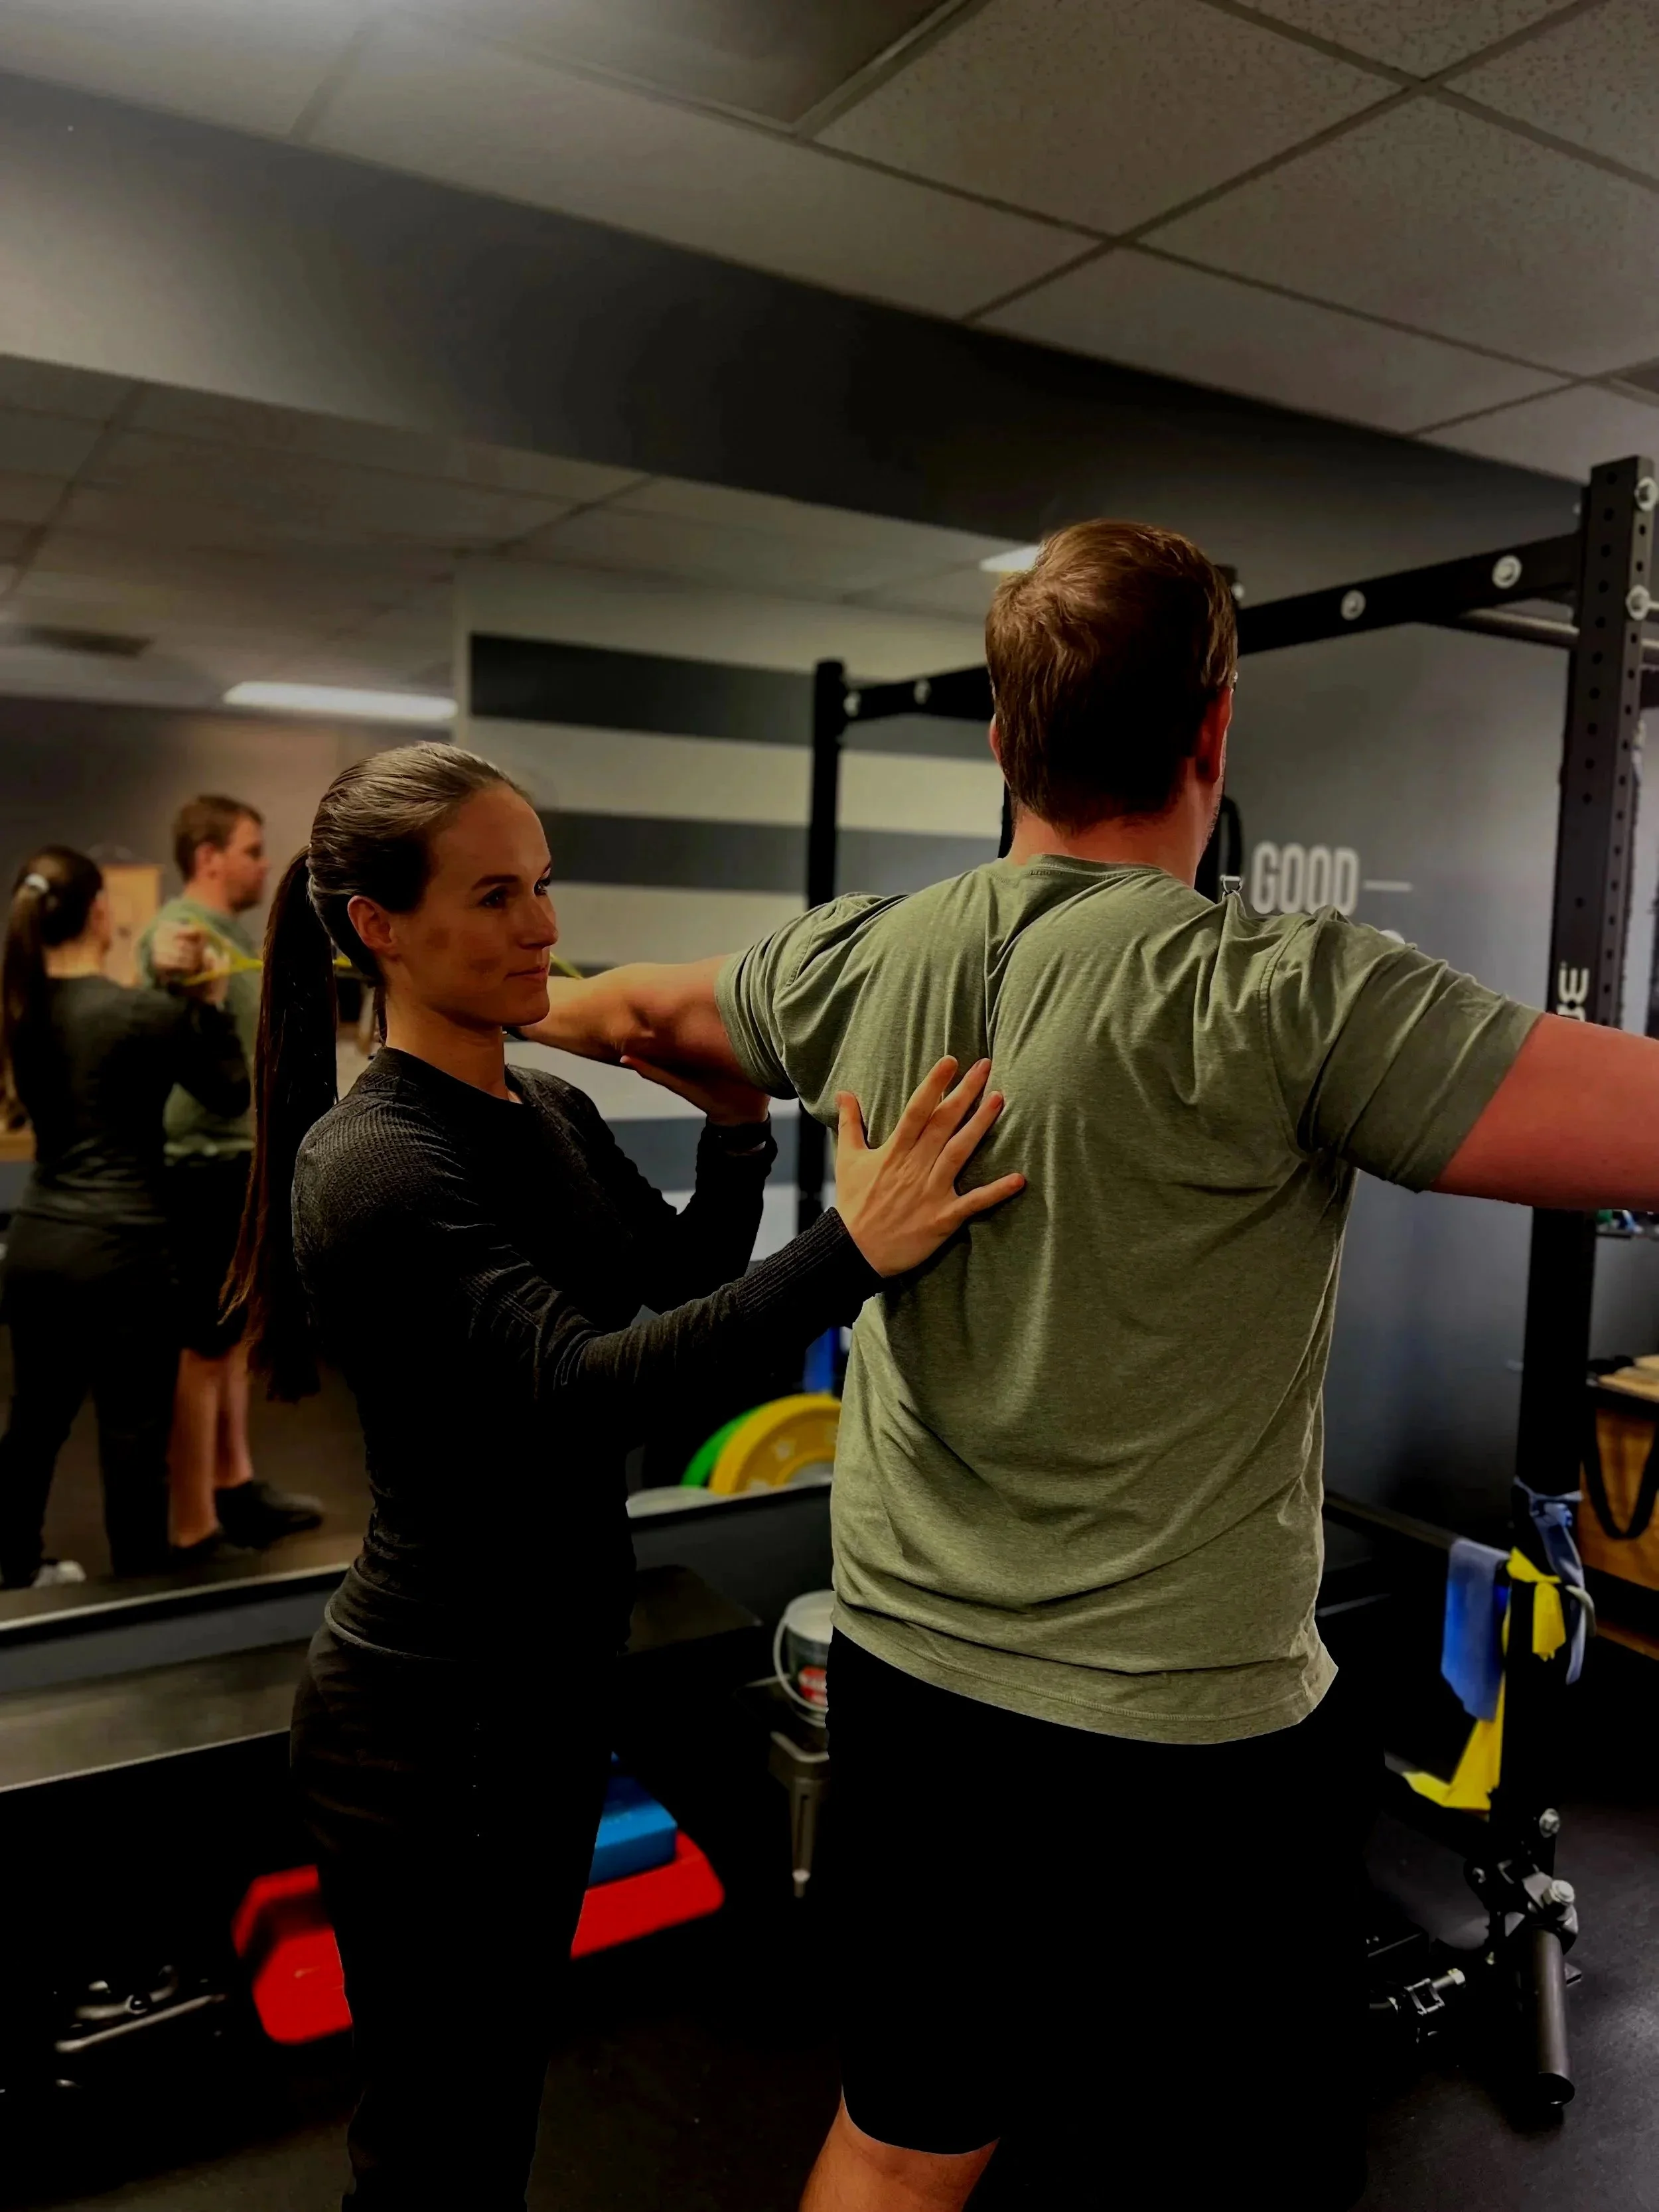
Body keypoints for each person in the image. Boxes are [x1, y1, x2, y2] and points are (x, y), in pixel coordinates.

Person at [527, 519, 1659, 2212]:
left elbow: (622, 1012)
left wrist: (490, 1007)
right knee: (1232, 2164)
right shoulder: (1286, 996)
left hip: (916, 1690)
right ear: (1214, 735)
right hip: (1187, 1734)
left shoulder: (858, 961)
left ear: (1002, 743)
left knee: (906, 2140)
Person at [228, 741, 1021, 2211]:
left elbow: (676, 1282)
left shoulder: (548, 1111)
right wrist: (856, 1247)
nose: (542, 925)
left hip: (534, 1693)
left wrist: (735, 1129)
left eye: (542, 885)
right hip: (427, 1727)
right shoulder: (378, 1163)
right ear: (376, 928)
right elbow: (588, 1392)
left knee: (493, 2106)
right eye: (494, 893)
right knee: (430, 2144)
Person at [0, 846, 248, 1587]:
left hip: (38, 1245)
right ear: (102, 912)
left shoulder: (20, 1010)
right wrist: (206, 1001)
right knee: (132, 1431)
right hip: (126, 1254)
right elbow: (230, 1093)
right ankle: (139, 1594)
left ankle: (14, 1574)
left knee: (33, 1425)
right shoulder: (144, 1013)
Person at [137, 794, 319, 1559]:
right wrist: (166, 962)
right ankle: (191, 1521)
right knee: (202, 1347)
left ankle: (233, 1485)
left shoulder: (231, 932)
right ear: (209, 858)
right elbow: (159, 957)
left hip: (236, 1161)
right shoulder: (181, 930)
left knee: (236, 1332)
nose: (263, 862)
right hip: (200, 1165)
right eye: (251, 849)